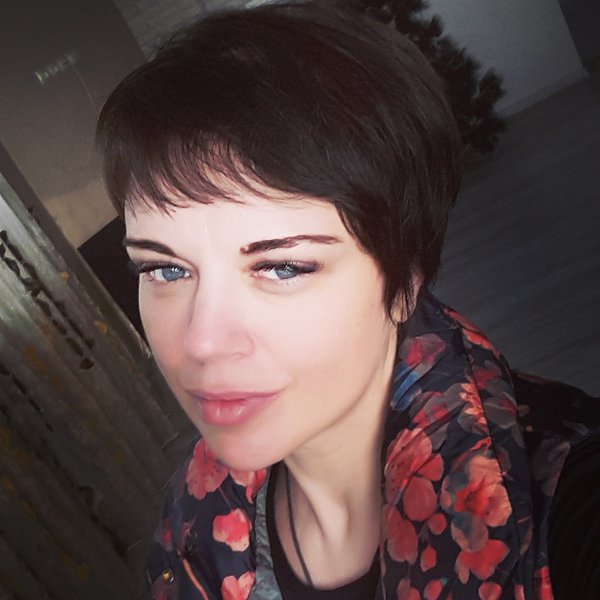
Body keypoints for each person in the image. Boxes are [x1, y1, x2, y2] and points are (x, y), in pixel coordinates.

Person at [96, 1, 600, 598]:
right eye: (165, 269)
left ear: (405, 279)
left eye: (282, 267)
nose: (201, 341)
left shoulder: (565, 500)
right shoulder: (191, 524)